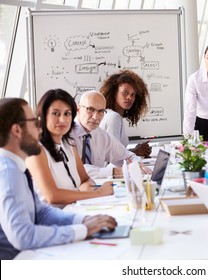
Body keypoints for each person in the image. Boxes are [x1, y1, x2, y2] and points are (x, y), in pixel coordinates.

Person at [0, 98, 117, 260]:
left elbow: (41, 213)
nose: (39, 129)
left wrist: (84, 220)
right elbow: (23, 236)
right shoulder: (7, 172)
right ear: (17, 130)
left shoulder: (16, 167)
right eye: (34, 122)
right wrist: (82, 229)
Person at [25, 89, 113, 208]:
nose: (62, 120)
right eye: (56, 113)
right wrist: (97, 194)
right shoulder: (36, 150)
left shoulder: (69, 145)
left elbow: (85, 180)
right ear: (43, 115)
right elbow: (52, 196)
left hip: (75, 209)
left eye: (67, 113)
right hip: (52, 219)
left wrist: (88, 188)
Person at [71, 90, 146, 179]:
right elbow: (74, 170)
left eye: (101, 111)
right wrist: (116, 171)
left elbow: (125, 155)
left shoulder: (100, 135)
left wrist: (137, 165)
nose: (95, 117)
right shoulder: (65, 133)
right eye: (90, 109)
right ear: (78, 109)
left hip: (95, 188)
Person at [99, 70, 151, 157]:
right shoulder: (113, 117)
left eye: (133, 94)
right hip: (108, 170)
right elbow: (113, 157)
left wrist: (134, 150)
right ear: (114, 93)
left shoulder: (111, 114)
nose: (129, 97)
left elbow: (113, 151)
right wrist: (136, 152)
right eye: (125, 93)